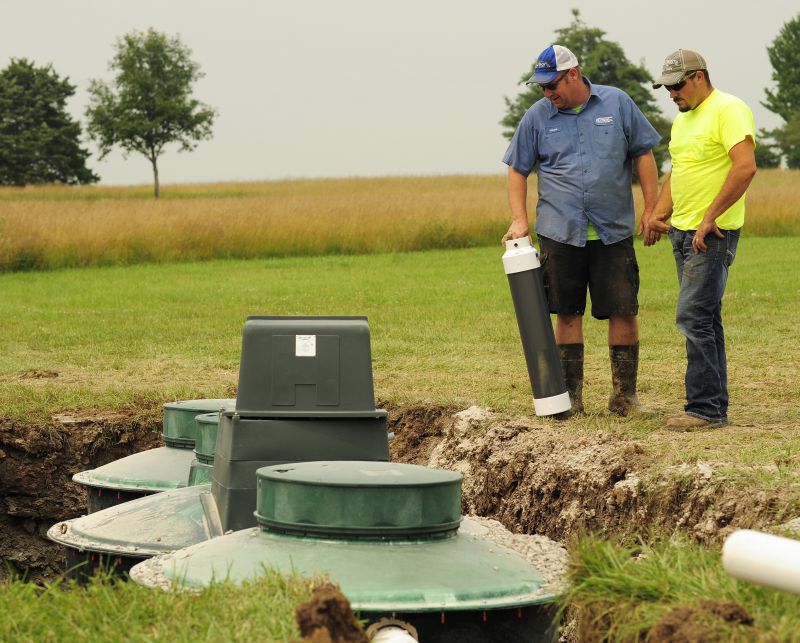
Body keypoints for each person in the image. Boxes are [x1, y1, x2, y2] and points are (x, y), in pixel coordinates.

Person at [502, 44, 660, 417]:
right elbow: (516, 169)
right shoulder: (537, 117)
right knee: (567, 313)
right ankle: (571, 400)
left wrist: (651, 208)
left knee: (623, 310)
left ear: (573, 75)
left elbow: (643, 153)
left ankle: (625, 399)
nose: (547, 93)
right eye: (541, 87)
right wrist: (520, 219)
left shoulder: (617, 103)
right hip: (560, 231)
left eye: (551, 84)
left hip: (612, 230)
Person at [644, 49, 756, 431]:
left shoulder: (729, 109)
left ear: (699, 76)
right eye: (667, 87)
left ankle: (705, 410)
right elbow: (679, 171)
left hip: (713, 234)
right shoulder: (683, 121)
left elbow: (745, 166)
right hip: (683, 233)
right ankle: (714, 406)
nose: (671, 93)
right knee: (706, 318)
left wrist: (710, 217)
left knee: (692, 316)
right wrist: (657, 213)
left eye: (677, 85)